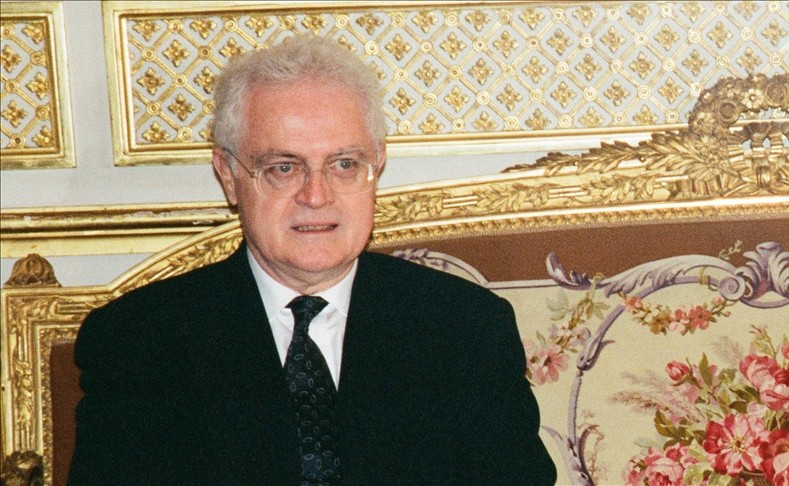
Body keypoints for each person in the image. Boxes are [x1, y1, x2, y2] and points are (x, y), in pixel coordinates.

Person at [70, 34, 556, 485]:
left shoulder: (464, 329)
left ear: (377, 165)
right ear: (228, 175)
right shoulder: (140, 342)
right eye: (283, 168)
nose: (316, 195)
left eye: (344, 165)